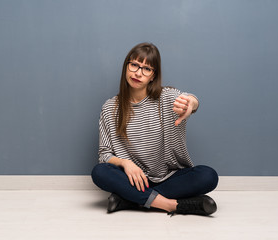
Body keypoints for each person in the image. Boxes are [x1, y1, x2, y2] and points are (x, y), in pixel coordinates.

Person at [91, 42, 219, 216]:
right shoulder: (110, 107)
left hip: (169, 178)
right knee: (100, 172)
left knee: (208, 176)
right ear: (126, 67)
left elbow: (190, 100)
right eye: (134, 65)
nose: (138, 73)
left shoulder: (166, 97)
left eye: (146, 69)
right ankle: (170, 205)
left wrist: (191, 104)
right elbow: (104, 154)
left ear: (153, 76)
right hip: (132, 179)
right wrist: (126, 163)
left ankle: (130, 199)